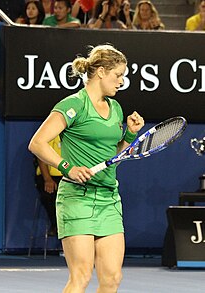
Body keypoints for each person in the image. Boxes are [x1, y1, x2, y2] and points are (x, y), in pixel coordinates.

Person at [28, 43, 144, 292]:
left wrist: (131, 136)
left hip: (109, 198)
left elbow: (113, 155)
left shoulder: (116, 108)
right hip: (76, 199)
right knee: (81, 276)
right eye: (118, 75)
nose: (122, 81)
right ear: (101, 72)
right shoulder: (74, 105)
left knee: (112, 279)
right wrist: (67, 167)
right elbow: (37, 143)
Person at [35, 135, 63, 236]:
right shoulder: (52, 133)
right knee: (49, 195)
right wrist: (47, 179)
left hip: (69, 176)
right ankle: (57, 226)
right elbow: (41, 156)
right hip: (50, 176)